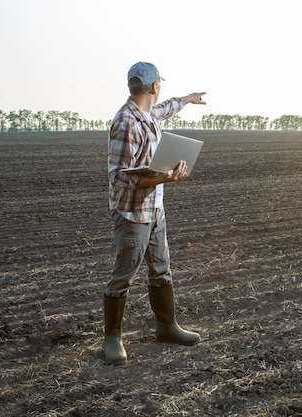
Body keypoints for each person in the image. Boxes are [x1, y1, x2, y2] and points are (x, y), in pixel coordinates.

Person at [104, 61, 206, 365]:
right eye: (159, 85)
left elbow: (164, 109)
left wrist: (187, 99)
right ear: (153, 86)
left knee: (161, 269)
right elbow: (118, 176)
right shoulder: (126, 122)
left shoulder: (147, 113)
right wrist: (165, 177)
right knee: (123, 275)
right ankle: (112, 339)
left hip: (154, 209)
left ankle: (167, 327)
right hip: (132, 213)